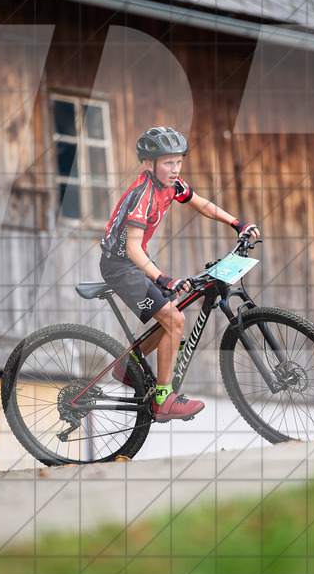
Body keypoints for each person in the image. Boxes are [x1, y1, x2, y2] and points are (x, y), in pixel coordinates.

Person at [99, 126, 260, 422]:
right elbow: (133, 249)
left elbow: (201, 204)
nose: (175, 170)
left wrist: (237, 223)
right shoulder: (142, 195)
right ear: (149, 164)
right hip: (120, 266)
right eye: (167, 163)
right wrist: (163, 279)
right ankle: (164, 399)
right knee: (175, 319)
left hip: (136, 262)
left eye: (178, 161)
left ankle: (129, 365)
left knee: (172, 313)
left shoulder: (170, 185)